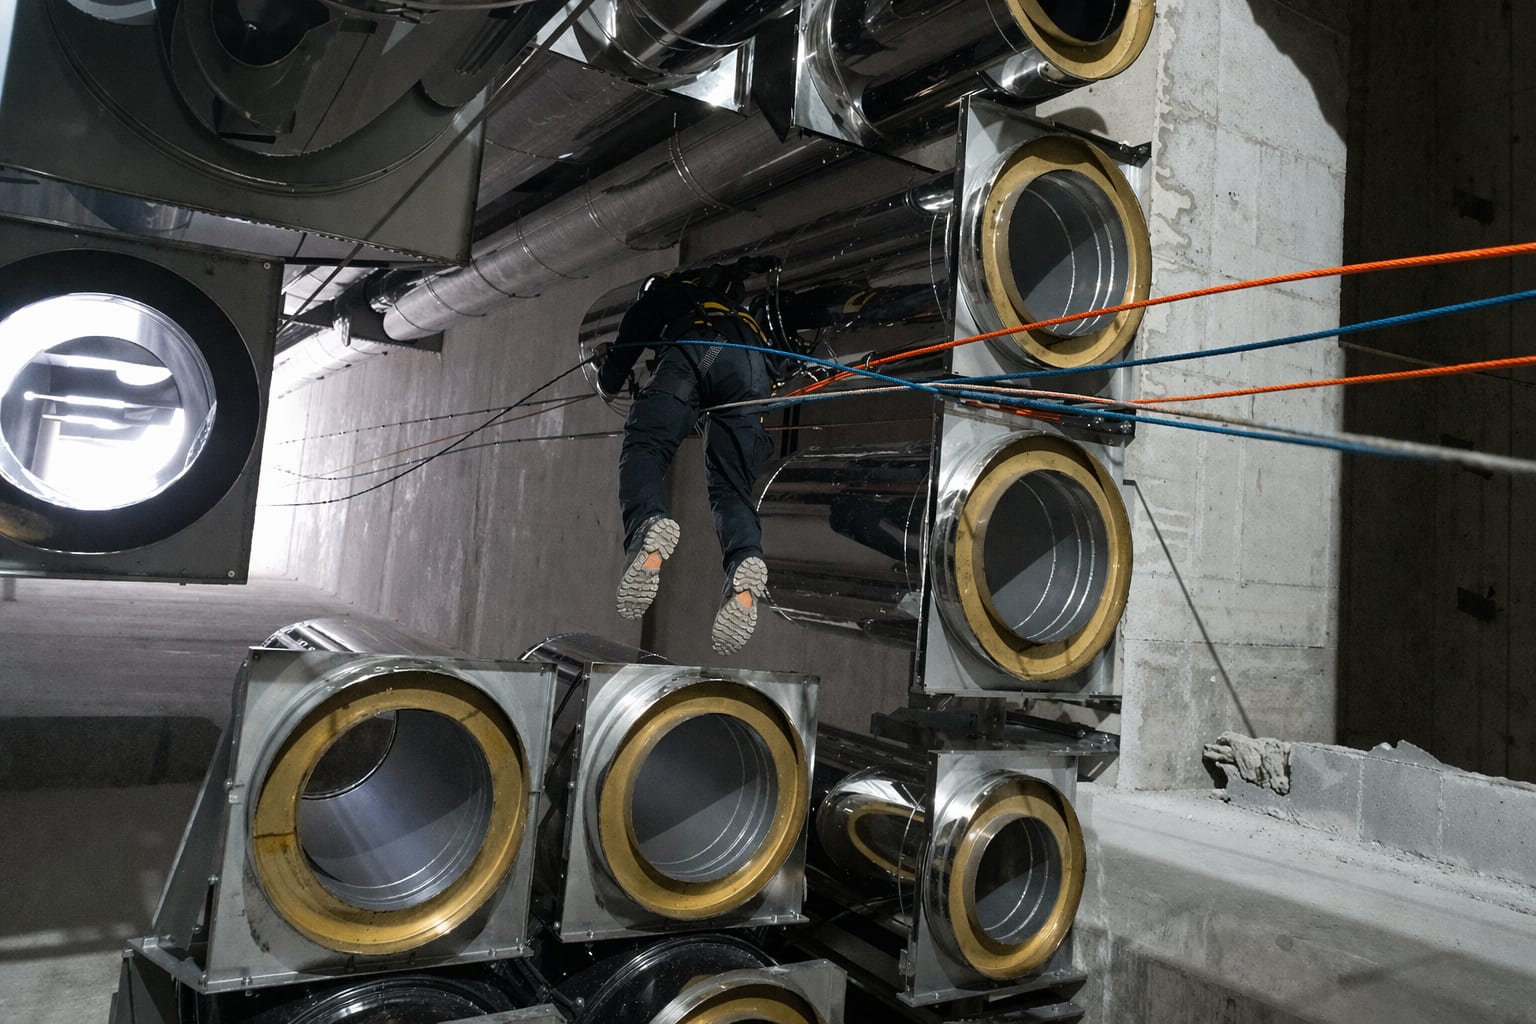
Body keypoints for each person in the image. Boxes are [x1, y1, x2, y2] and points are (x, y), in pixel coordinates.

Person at [594, 258, 780, 656]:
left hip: (702, 351)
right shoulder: (745, 318)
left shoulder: (674, 292)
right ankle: (743, 567)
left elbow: (637, 324)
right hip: (752, 374)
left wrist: (609, 377)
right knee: (732, 490)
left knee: (647, 445)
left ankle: (647, 525)